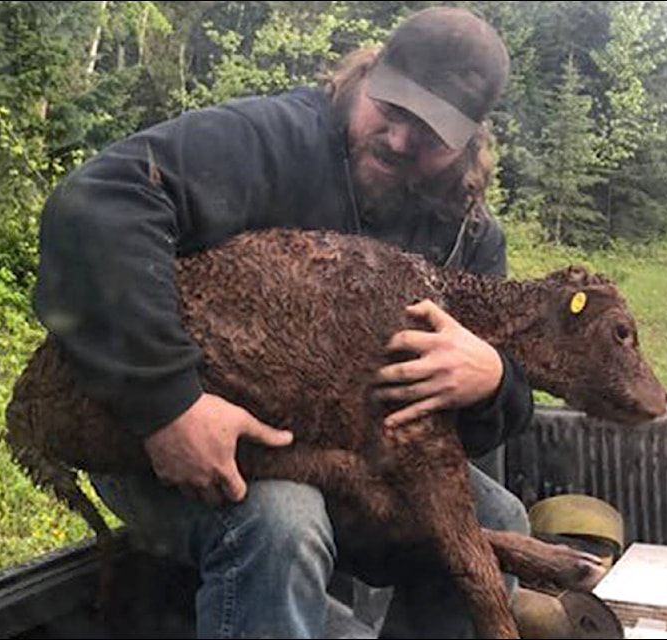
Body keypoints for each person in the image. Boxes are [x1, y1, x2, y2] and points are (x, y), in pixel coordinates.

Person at [33, 6, 534, 638]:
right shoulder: (271, 140)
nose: (401, 142)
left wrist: (493, 379)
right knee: (283, 520)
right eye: (394, 111)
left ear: (468, 140)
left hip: (341, 457)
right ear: (371, 73)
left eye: (431, 134)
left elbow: (488, 423)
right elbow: (95, 207)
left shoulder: (465, 230)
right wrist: (168, 404)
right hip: (158, 434)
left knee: (501, 517)